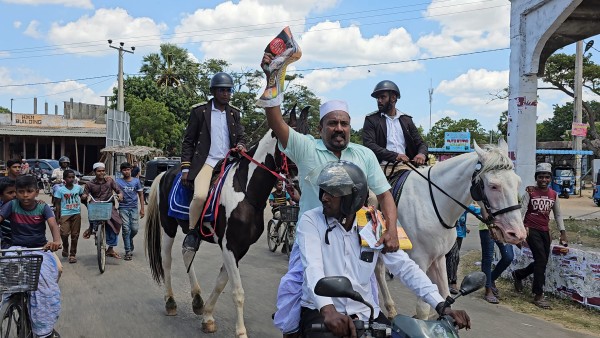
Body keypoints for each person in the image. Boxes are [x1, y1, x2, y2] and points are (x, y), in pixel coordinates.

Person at [259, 36, 399, 336]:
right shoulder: (305, 147)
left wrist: (389, 230)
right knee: (294, 298)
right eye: (332, 124)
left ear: (350, 127)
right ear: (321, 127)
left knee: (367, 304)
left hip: (355, 239)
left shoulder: (364, 154)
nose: (338, 129)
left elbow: (386, 195)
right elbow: (276, 121)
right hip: (313, 241)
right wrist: (272, 79)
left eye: (343, 124)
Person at [298, 161, 470, 337]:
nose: (324, 198)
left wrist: (441, 304)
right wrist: (328, 310)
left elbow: (404, 267)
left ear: (353, 196)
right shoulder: (311, 221)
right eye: (324, 191)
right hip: (322, 312)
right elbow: (313, 268)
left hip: (365, 312)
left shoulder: (373, 222)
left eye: (333, 193)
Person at [180, 72, 247, 231]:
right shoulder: (199, 112)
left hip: (231, 162)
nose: (226, 94)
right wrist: (185, 168)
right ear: (213, 91)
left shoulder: (234, 113)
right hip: (208, 162)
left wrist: (241, 145)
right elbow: (188, 141)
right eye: (222, 90)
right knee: (200, 196)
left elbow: (241, 136)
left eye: (229, 90)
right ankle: (192, 231)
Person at [0, 175, 62, 338]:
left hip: (39, 248)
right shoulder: (11, 205)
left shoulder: (43, 207)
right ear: (16, 193)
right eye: (20, 191)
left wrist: (56, 241)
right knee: (6, 274)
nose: (25, 195)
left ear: (37, 192)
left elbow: (53, 224)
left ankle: (43, 326)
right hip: (17, 248)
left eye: (29, 191)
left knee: (46, 285)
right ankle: (8, 304)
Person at [512, 162, 568, 309]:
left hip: (545, 231)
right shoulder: (530, 192)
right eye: (541, 177)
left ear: (550, 178)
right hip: (531, 229)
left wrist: (563, 232)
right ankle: (538, 295)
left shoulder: (553, 195)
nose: (544, 179)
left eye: (546, 177)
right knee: (541, 260)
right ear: (536, 178)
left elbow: (558, 214)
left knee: (541, 261)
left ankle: (519, 274)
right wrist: (521, 230)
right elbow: (522, 211)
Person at [362, 80, 428, 172]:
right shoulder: (371, 119)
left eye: (382, 97)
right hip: (381, 167)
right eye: (377, 98)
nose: (379, 101)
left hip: (406, 166)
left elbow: (421, 143)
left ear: (393, 98)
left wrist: (421, 154)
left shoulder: (407, 120)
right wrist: (395, 156)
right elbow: (369, 145)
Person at [82, 162, 124, 259]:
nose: (101, 173)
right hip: (96, 205)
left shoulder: (109, 181)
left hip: (109, 205)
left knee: (117, 222)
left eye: (103, 171)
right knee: (92, 215)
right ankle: (91, 228)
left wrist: (120, 195)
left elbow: (118, 190)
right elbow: (85, 194)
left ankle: (111, 248)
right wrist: (84, 196)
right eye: (99, 171)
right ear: (94, 172)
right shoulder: (89, 184)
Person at [53, 169, 87, 264]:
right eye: (69, 177)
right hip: (65, 214)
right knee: (64, 233)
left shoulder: (78, 188)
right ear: (64, 179)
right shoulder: (60, 190)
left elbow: (83, 198)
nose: (71, 179)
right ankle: (66, 246)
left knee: (75, 235)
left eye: (73, 177)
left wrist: (88, 203)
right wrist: (57, 218)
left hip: (76, 213)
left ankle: (72, 254)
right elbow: (58, 205)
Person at [445, 204, 479, 295]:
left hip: (460, 235)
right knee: (454, 256)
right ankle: (452, 282)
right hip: (450, 233)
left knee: (453, 258)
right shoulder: (452, 204)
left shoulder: (466, 206)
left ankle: (449, 278)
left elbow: (478, 211)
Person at [479, 218, 514, 304]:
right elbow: (483, 210)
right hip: (487, 227)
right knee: (488, 258)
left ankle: (490, 279)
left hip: (504, 229)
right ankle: (488, 290)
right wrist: (491, 226)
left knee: (508, 257)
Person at [116, 162, 145, 261]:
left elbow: (141, 195)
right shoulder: (118, 181)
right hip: (123, 208)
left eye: (128, 169)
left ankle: (129, 239)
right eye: (124, 170)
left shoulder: (136, 181)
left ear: (131, 170)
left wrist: (142, 209)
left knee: (135, 229)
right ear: (121, 171)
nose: (126, 171)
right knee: (125, 229)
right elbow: (116, 193)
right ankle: (128, 251)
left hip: (133, 208)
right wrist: (118, 197)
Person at [0, 179, 16, 249]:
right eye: (10, 192)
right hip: (7, 247)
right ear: (1, 195)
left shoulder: (22, 207)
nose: (15, 195)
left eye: (16, 192)